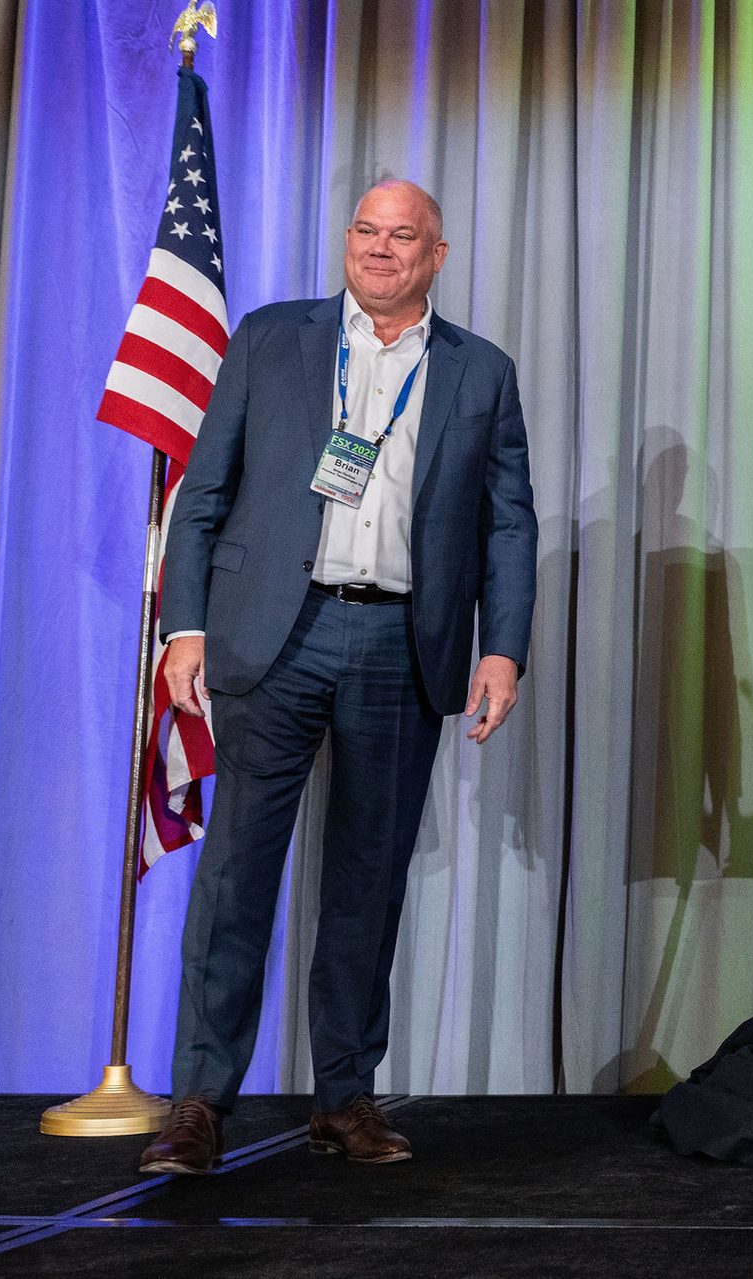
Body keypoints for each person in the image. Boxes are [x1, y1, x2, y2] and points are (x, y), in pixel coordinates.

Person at [139, 181, 537, 1176]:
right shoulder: (272, 338)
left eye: (403, 236)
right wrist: (182, 626)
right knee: (237, 873)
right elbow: (204, 492)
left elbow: (508, 523)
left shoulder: (480, 371)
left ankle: (345, 1095)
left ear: (436, 254)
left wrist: (503, 647)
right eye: (365, 230)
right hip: (276, 634)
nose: (380, 248)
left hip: (403, 644)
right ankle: (197, 1102)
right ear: (347, 242)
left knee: (368, 882)